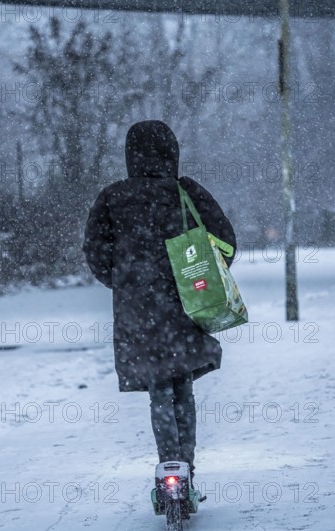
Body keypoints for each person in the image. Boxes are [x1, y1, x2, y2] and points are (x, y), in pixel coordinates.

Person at [83, 120, 236, 487]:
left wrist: (124, 282)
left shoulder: (112, 197)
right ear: (172, 152)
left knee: (159, 387)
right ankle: (186, 470)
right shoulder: (186, 191)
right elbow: (226, 242)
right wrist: (200, 270)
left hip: (138, 310)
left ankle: (169, 465)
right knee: (182, 384)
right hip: (185, 301)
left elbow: (96, 253)